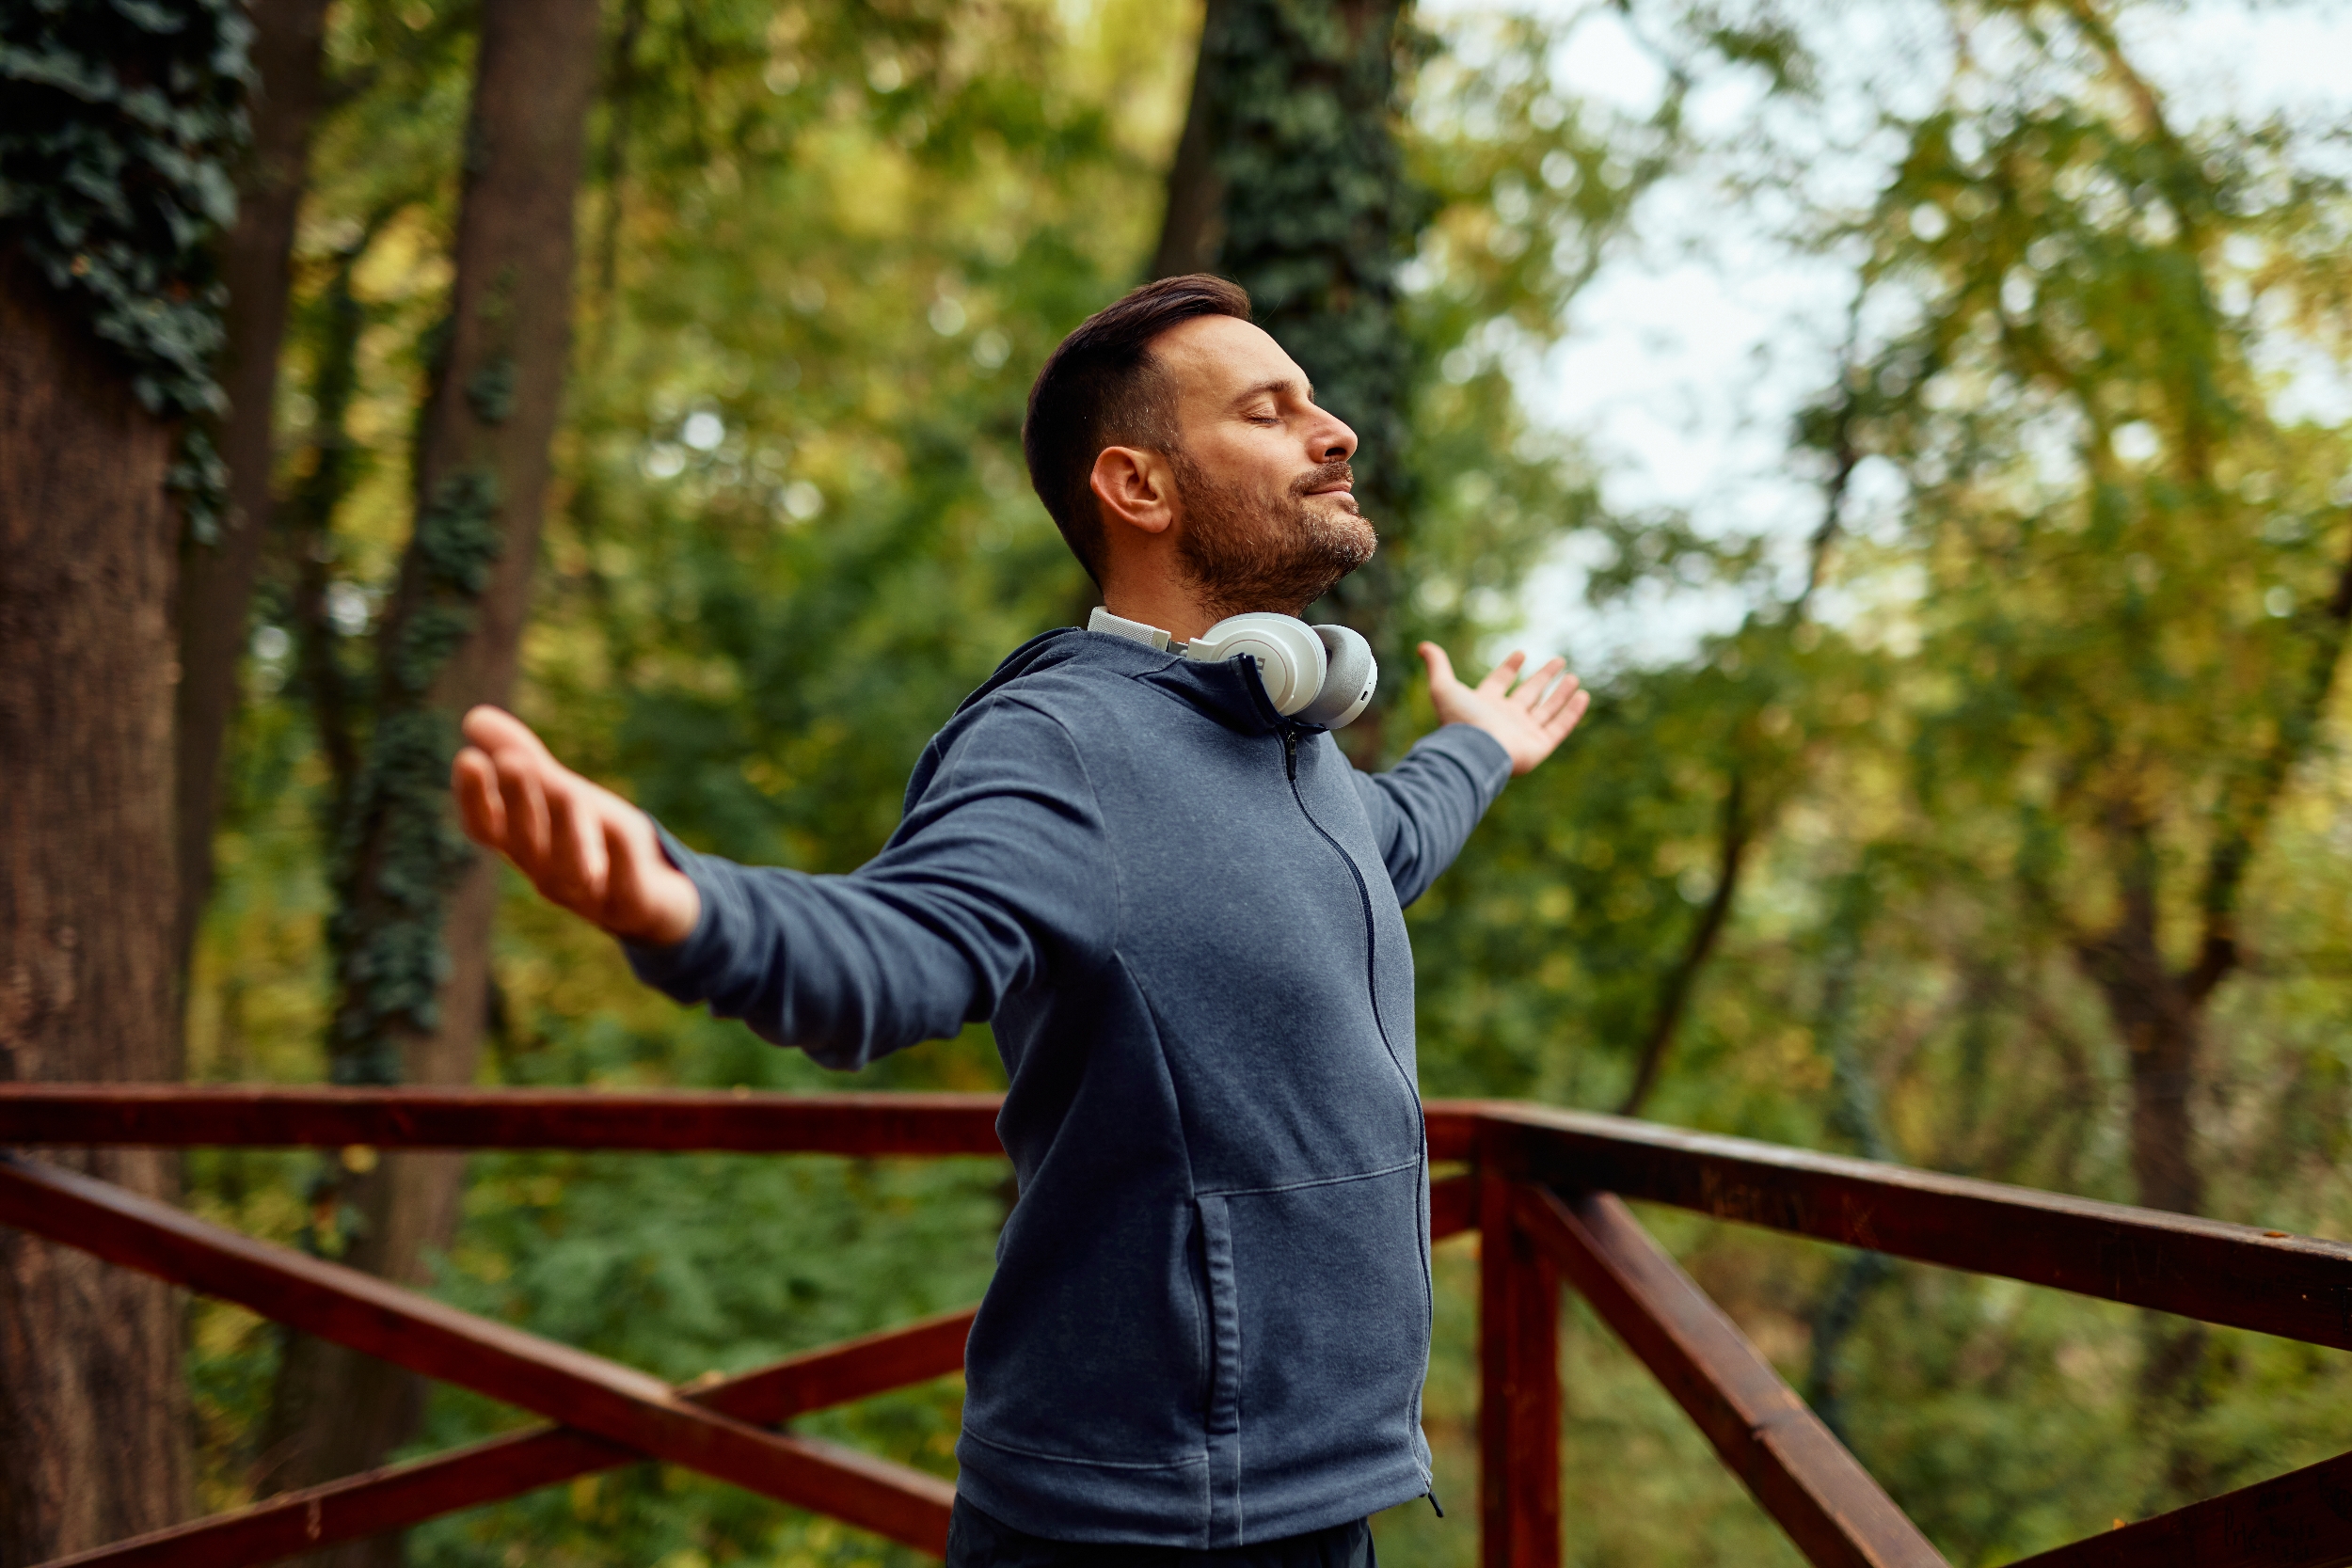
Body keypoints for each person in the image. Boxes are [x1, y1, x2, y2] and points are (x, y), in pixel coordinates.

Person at [451, 275, 1588, 1566]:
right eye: (1272, 413)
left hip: (1323, 1495)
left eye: (1317, 405)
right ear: (1139, 489)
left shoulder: (1296, 752)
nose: (1335, 433)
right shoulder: (1055, 744)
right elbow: (899, 950)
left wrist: (1480, 752)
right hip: (1135, 1523)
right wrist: (685, 905)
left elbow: (1392, 842)